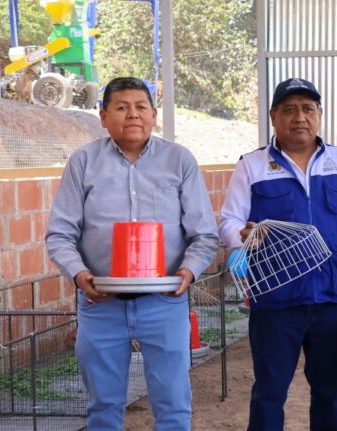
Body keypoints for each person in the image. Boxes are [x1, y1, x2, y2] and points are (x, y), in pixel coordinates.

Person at [45, 77, 219, 430]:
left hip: (165, 302)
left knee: (172, 406)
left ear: (154, 115)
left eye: (141, 107)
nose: (132, 115)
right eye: (121, 107)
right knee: (103, 408)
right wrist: (81, 276)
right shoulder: (83, 162)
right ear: (103, 116)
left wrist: (188, 271)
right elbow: (60, 234)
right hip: (100, 305)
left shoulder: (179, 160)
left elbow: (203, 235)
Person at [218, 77, 337, 430]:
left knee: (330, 390)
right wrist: (240, 235)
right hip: (275, 301)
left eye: (307, 109)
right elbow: (228, 221)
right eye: (289, 109)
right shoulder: (253, 165)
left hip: (332, 301)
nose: (299, 117)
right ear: (274, 116)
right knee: (270, 393)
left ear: (319, 114)